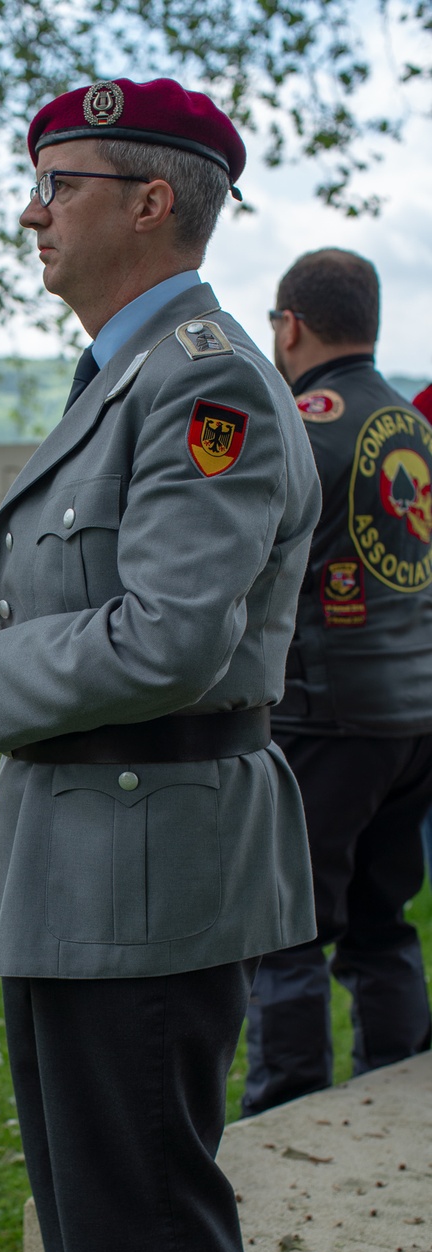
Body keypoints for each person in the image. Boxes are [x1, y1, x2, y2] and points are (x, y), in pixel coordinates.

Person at [0, 79, 321, 1252]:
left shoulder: (202, 376)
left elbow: (175, 631)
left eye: (58, 182)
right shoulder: (128, 372)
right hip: (90, 844)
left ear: (152, 202)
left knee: (141, 1204)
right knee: (95, 1199)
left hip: (150, 851)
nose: (33, 210)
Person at [242, 250, 432, 1116]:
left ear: (290, 326)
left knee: (287, 934)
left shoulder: (298, 422)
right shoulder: (417, 428)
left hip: (325, 715)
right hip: (416, 714)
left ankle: (286, 1120)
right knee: (383, 924)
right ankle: (395, 1106)